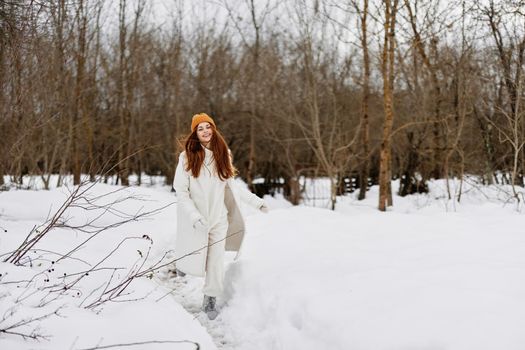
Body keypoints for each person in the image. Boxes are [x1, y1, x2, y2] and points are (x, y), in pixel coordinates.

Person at [173, 113, 269, 320]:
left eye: (208, 127)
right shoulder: (186, 158)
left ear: (214, 129)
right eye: (200, 128)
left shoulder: (223, 154)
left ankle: (210, 300)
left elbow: (233, 187)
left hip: (218, 220)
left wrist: (256, 202)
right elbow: (180, 191)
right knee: (194, 255)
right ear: (195, 133)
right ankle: (181, 265)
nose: (205, 131)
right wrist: (193, 215)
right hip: (197, 219)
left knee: (215, 261)